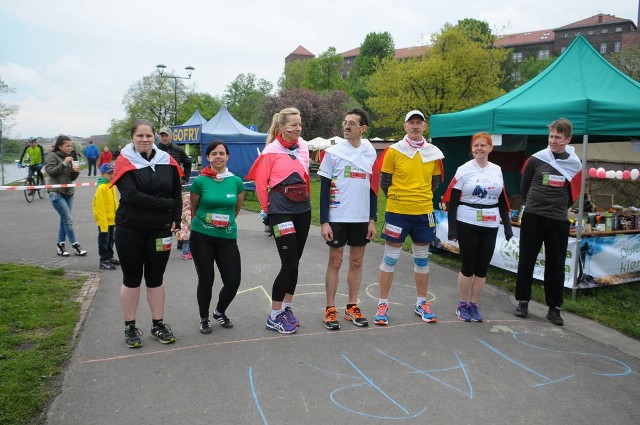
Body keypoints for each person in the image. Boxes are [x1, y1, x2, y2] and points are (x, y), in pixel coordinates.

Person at [112, 119, 183, 348]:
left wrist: (176, 217)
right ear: (132, 138)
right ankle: (130, 327)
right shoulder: (124, 161)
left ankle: (158, 324)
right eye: (140, 136)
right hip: (130, 228)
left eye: (148, 136)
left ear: (155, 138)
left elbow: (176, 192)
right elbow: (131, 195)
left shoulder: (167, 160)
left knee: (155, 279)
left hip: (160, 229)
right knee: (132, 280)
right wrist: (166, 203)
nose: (144, 140)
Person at [374, 110, 444, 326]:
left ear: (424, 127)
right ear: (405, 127)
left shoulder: (434, 153)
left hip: (423, 212)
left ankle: (421, 303)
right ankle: (382, 303)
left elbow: (436, 182)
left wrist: (419, 199)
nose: (415, 126)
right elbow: (384, 181)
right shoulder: (393, 151)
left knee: (422, 259)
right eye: (411, 123)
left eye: (419, 123)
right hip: (397, 213)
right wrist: (399, 199)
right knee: (390, 257)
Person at [246, 107, 311, 334]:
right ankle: (274, 316)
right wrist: (267, 211)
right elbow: (260, 183)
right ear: (281, 127)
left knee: (295, 262)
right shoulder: (270, 151)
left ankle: (286, 308)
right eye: (292, 125)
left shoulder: (303, 146)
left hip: (303, 209)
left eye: (299, 124)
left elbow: (305, 177)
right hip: (280, 211)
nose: (297, 128)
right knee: (289, 263)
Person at [514, 118, 582, 326]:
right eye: (551, 136)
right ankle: (523, 301)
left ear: (568, 139)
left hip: (557, 220)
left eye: (558, 138)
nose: (553, 141)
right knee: (526, 259)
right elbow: (524, 188)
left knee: (556, 264)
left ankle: (554, 308)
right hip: (534, 216)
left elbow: (574, 194)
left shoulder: (575, 164)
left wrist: (556, 207)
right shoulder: (536, 159)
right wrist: (536, 204)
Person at [317, 108, 378, 330]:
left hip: (361, 217)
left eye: (352, 123)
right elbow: (323, 189)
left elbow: (373, 188)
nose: (346, 126)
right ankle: (330, 309)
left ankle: (352, 306)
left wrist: (372, 218)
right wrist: (324, 221)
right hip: (338, 216)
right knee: (335, 261)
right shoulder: (333, 152)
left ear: (363, 128)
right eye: (344, 122)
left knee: (357, 261)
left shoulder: (370, 152)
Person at [443, 132, 513, 322]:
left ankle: (473, 304)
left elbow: (502, 200)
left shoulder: (496, 170)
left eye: (483, 145)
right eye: (476, 146)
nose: (479, 149)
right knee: (468, 267)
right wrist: (452, 229)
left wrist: (507, 226)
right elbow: (453, 201)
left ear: (490, 148)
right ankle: (462, 304)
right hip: (467, 222)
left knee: (482, 268)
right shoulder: (464, 170)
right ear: (471, 149)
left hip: (490, 223)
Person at [189, 141, 245, 334]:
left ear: (227, 157)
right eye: (214, 153)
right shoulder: (200, 181)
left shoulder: (235, 181)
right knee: (206, 279)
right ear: (208, 157)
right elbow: (194, 208)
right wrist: (206, 223)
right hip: (202, 236)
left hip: (227, 237)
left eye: (222, 153)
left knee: (233, 280)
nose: (218, 156)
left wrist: (225, 222)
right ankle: (204, 318)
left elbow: (236, 209)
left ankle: (219, 311)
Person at [45, 135, 88, 257]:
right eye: (67, 146)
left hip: (69, 192)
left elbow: (72, 178)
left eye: (71, 145)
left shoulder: (70, 157)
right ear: (60, 146)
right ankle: (76, 246)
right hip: (56, 192)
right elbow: (51, 172)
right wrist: (64, 163)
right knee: (68, 219)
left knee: (64, 219)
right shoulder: (52, 156)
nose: (70, 148)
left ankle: (60, 245)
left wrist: (76, 172)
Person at [92, 163, 120, 270]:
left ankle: (110, 257)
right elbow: (99, 208)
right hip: (104, 221)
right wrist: (103, 224)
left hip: (112, 220)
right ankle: (103, 260)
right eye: (109, 173)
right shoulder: (102, 188)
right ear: (102, 173)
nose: (112, 175)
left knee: (111, 240)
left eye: (113, 173)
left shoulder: (111, 185)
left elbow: (114, 203)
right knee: (104, 241)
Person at [176, 192, 193, 260]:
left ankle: (187, 252)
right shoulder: (188, 212)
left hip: (184, 230)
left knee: (186, 242)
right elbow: (189, 222)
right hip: (187, 230)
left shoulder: (183, 210)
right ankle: (186, 253)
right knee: (187, 243)